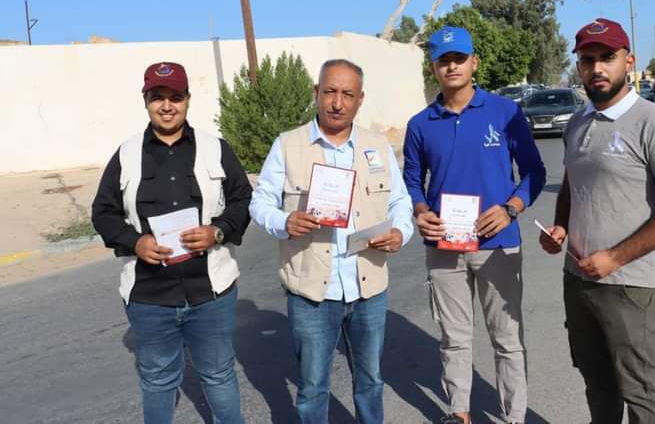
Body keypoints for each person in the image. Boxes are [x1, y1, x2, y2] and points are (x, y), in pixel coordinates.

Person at [539, 18, 655, 424]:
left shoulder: (654, 123)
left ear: (629, 61)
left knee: (638, 387)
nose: (596, 68)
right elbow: (573, 183)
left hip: (632, 283)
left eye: (607, 57)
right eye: (587, 60)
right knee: (596, 379)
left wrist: (615, 257)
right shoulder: (578, 122)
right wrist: (561, 227)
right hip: (579, 277)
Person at [249, 58, 414, 424]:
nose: (338, 103)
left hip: (368, 286)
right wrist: (284, 221)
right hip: (312, 292)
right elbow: (259, 203)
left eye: (348, 94)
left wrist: (400, 232)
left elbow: (400, 202)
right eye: (330, 92)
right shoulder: (288, 145)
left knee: (370, 381)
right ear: (316, 93)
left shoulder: (377, 146)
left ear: (360, 99)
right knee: (312, 388)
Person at [92, 62, 252, 424]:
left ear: (188, 100)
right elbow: (103, 212)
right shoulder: (126, 154)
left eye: (175, 97)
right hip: (150, 297)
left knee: (219, 376)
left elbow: (243, 199)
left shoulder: (215, 148)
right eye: (158, 97)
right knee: (158, 381)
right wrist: (135, 242)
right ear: (146, 101)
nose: (167, 106)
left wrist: (217, 232)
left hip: (211, 292)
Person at [403, 26, 547, 424]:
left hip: (498, 244)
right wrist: (420, 211)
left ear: (474, 63)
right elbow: (412, 179)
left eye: (459, 58)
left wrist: (510, 208)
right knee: (454, 338)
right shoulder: (420, 124)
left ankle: (513, 416)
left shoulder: (505, 112)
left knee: (507, 339)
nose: (452, 66)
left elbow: (534, 171)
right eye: (443, 60)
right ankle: (459, 412)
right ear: (433, 68)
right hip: (445, 247)